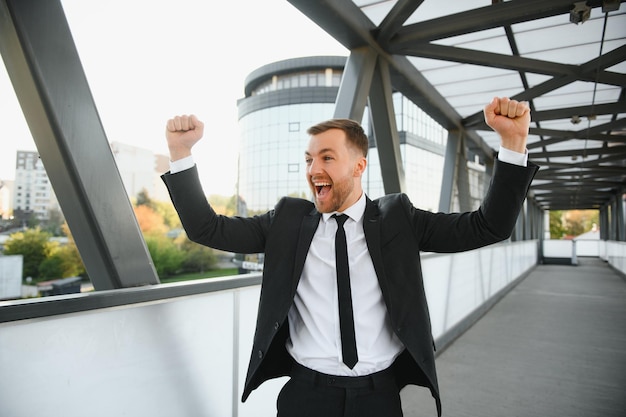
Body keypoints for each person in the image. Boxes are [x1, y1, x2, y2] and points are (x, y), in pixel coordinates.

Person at [161, 97, 538, 417]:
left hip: (379, 397)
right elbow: (208, 229)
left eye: (327, 157)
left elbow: (487, 227)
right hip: (306, 395)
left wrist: (513, 143)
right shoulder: (287, 221)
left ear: (360, 166)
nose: (314, 170)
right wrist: (180, 153)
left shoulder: (399, 219)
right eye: (309, 159)